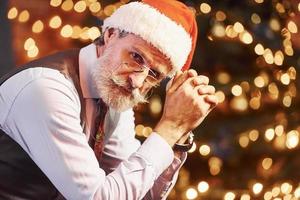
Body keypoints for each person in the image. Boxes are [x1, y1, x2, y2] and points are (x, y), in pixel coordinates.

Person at [0, 0, 218, 199]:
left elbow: (141, 193)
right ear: (111, 34)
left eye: (154, 74)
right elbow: (98, 197)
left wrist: (179, 132)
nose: (136, 80)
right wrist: (170, 127)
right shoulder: (46, 89)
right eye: (136, 57)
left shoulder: (112, 93)